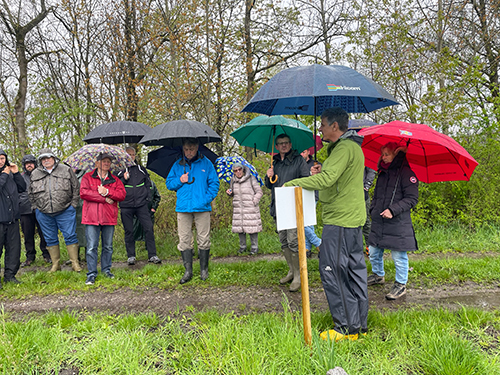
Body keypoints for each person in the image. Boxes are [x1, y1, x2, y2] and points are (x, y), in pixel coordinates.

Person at [284, 107, 367, 341]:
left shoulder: (343, 148)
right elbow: (334, 176)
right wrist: (324, 169)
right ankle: (359, 324)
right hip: (351, 218)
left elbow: (328, 180)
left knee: (332, 270)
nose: (319, 128)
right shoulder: (351, 147)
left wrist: (293, 184)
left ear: (334, 127)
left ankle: (345, 328)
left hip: (340, 219)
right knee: (353, 271)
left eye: (322, 124)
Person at [367, 142, 419, 300]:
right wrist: (373, 208)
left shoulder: (406, 172)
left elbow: (412, 199)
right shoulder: (382, 171)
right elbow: (377, 194)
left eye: (386, 154)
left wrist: (393, 210)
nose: (383, 157)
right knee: (374, 252)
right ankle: (378, 275)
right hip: (379, 219)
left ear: (396, 155)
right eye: (382, 154)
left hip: (397, 222)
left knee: (398, 255)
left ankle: (400, 284)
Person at [166, 138, 219, 284]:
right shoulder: (177, 165)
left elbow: (214, 183)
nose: (189, 152)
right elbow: (169, 184)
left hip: (202, 207)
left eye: (192, 149)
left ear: (197, 149)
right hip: (183, 207)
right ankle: (188, 271)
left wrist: (205, 199)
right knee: (184, 239)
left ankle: (204, 270)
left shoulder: (206, 163)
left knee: (203, 239)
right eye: (186, 149)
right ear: (183, 149)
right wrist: (180, 180)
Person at [265, 134, 309, 292]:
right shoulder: (275, 162)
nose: (283, 146)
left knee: (293, 241)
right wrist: (268, 176)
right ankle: (292, 271)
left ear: (290, 144)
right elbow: (270, 186)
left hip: (293, 206)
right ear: (276, 146)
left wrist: (290, 185)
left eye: (286, 143)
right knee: (283, 241)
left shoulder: (299, 160)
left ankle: (299, 275)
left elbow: (306, 180)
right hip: (278, 206)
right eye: (280, 143)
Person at [29, 148, 82, 272]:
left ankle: (75, 263)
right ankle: (55, 265)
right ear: (40, 160)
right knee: (50, 238)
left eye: (48, 158)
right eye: (43, 158)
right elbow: (30, 193)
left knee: (70, 236)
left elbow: (76, 188)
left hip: (65, 210)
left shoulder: (66, 169)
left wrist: (73, 205)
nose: (46, 160)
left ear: (54, 158)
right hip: (43, 213)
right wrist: (35, 207)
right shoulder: (35, 173)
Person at [80, 153, 126, 285]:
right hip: (91, 217)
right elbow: (84, 193)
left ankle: (106, 270)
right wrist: (103, 198)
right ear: (97, 163)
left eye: (108, 161)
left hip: (108, 217)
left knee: (108, 246)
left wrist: (108, 192)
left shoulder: (115, 179)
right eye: (103, 161)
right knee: (91, 247)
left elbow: (122, 195)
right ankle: (91, 274)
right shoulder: (87, 177)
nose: (106, 163)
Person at [117, 146, 161, 265]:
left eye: (132, 155)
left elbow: (148, 185)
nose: (131, 157)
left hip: (141, 205)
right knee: (129, 231)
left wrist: (148, 199)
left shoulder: (141, 169)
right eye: (128, 155)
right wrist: (124, 179)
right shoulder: (119, 170)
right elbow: (116, 188)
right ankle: (131, 256)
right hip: (126, 205)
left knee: (148, 228)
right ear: (124, 156)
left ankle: (152, 255)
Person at [338, 128, 377, 255]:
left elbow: (372, 171)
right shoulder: (343, 155)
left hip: (362, 193)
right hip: (347, 194)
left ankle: (370, 246)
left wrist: (366, 186)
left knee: (365, 221)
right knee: (348, 222)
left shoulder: (365, 153)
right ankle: (351, 247)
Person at [0, 149, 26, 285]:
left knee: (13, 249)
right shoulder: (4, 175)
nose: (1, 162)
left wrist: (16, 173)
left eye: (3, 158)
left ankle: (10, 276)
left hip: (13, 218)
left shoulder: (10, 174)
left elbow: (22, 187)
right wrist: (4, 175)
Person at [19, 154, 50, 266]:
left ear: (35, 164)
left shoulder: (41, 175)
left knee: (44, 233)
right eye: (27, 164)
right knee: (28, 235)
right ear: (24, 165)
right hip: (25, 210)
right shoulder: (20, 177)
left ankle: (47, 254)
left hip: (40, 208)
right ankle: (30, 257)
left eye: (31, 163)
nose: (29, 165)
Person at [226, 162, 263, 255]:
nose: (238, 172)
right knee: (240, 229)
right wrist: (230, 193)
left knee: (252, 228)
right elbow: (233, 193)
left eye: (239, 169)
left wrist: (254, 201)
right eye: (235, 170)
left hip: (250, 207)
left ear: (243, 169)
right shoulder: (233, 181)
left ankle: (254, 247)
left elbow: (259, 192)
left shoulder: (251, 179)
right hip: (238, 208)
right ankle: (242, 247)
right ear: (233, 172)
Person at [300, 148, 322, 258]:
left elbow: (323, 179)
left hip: (313, 195)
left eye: (303, 151)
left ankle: (315, 243)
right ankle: (310, 247)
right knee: (308, 222)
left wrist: (315, 175)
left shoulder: (316, 164)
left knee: (304, 222)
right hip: (300, 195)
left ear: (309, 152)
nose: (301, 154)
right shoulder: (298, 163)